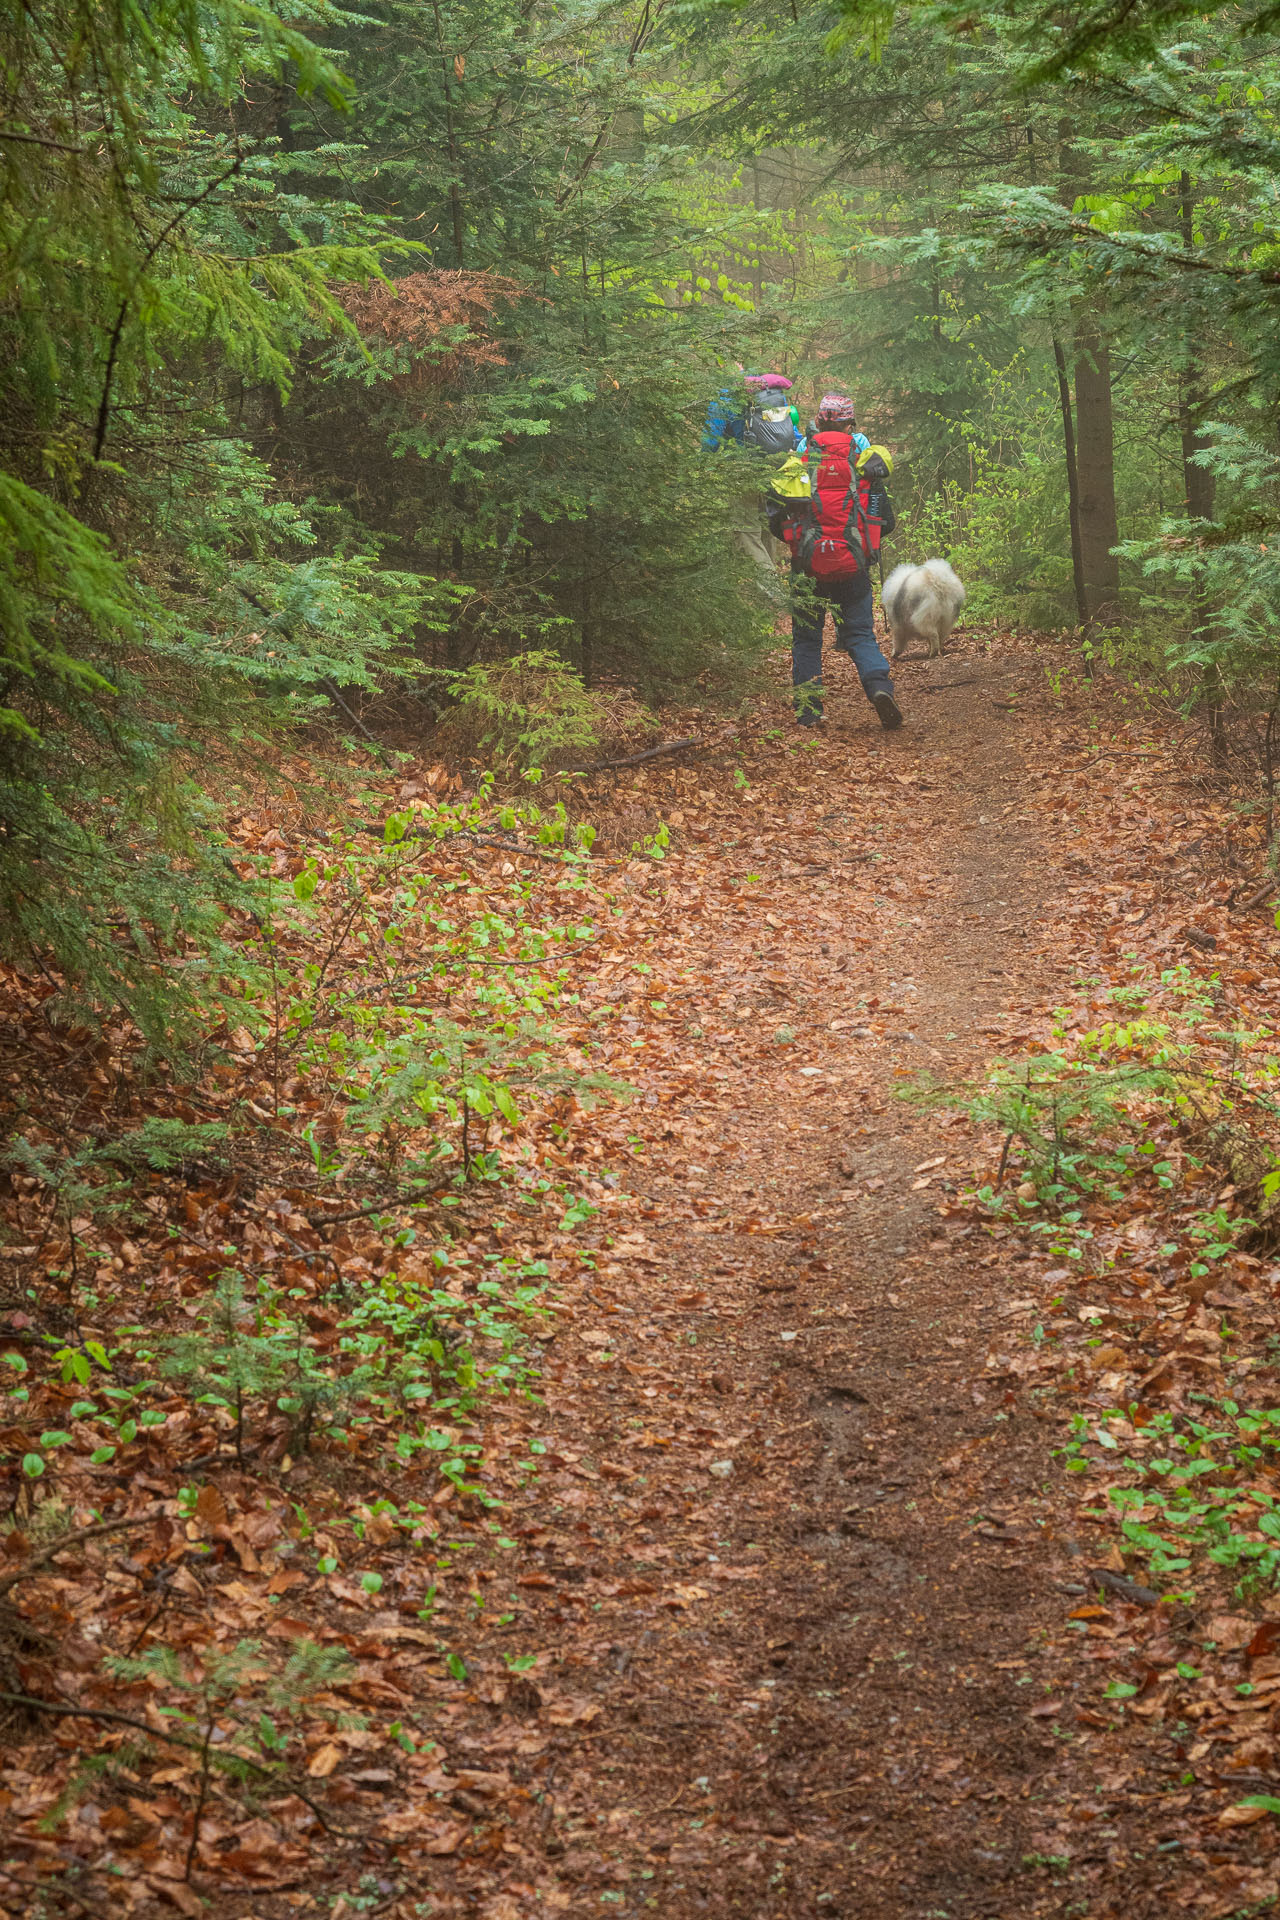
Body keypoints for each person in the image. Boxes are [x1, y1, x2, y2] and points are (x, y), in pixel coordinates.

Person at [785, 393, 903, 731]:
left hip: (806, 568)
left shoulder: (799, 461)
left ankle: (808, 713)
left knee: (807, 638)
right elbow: (886, 521)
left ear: (818, 421)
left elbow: (777, 519)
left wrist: (803, 547)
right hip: (853, 566)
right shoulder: (866, 464)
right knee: (860, 634)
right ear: (851, 425)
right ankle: (879, 688)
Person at [703, 372, 804, 596]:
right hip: (776, 468)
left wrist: (701, 465)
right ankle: (767, 593)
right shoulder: (771, 392)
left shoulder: (724, 397)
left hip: (744, 471)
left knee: (747, 531)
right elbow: (792, 431)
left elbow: (711, 439)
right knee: (765, 528)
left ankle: (774, 595)